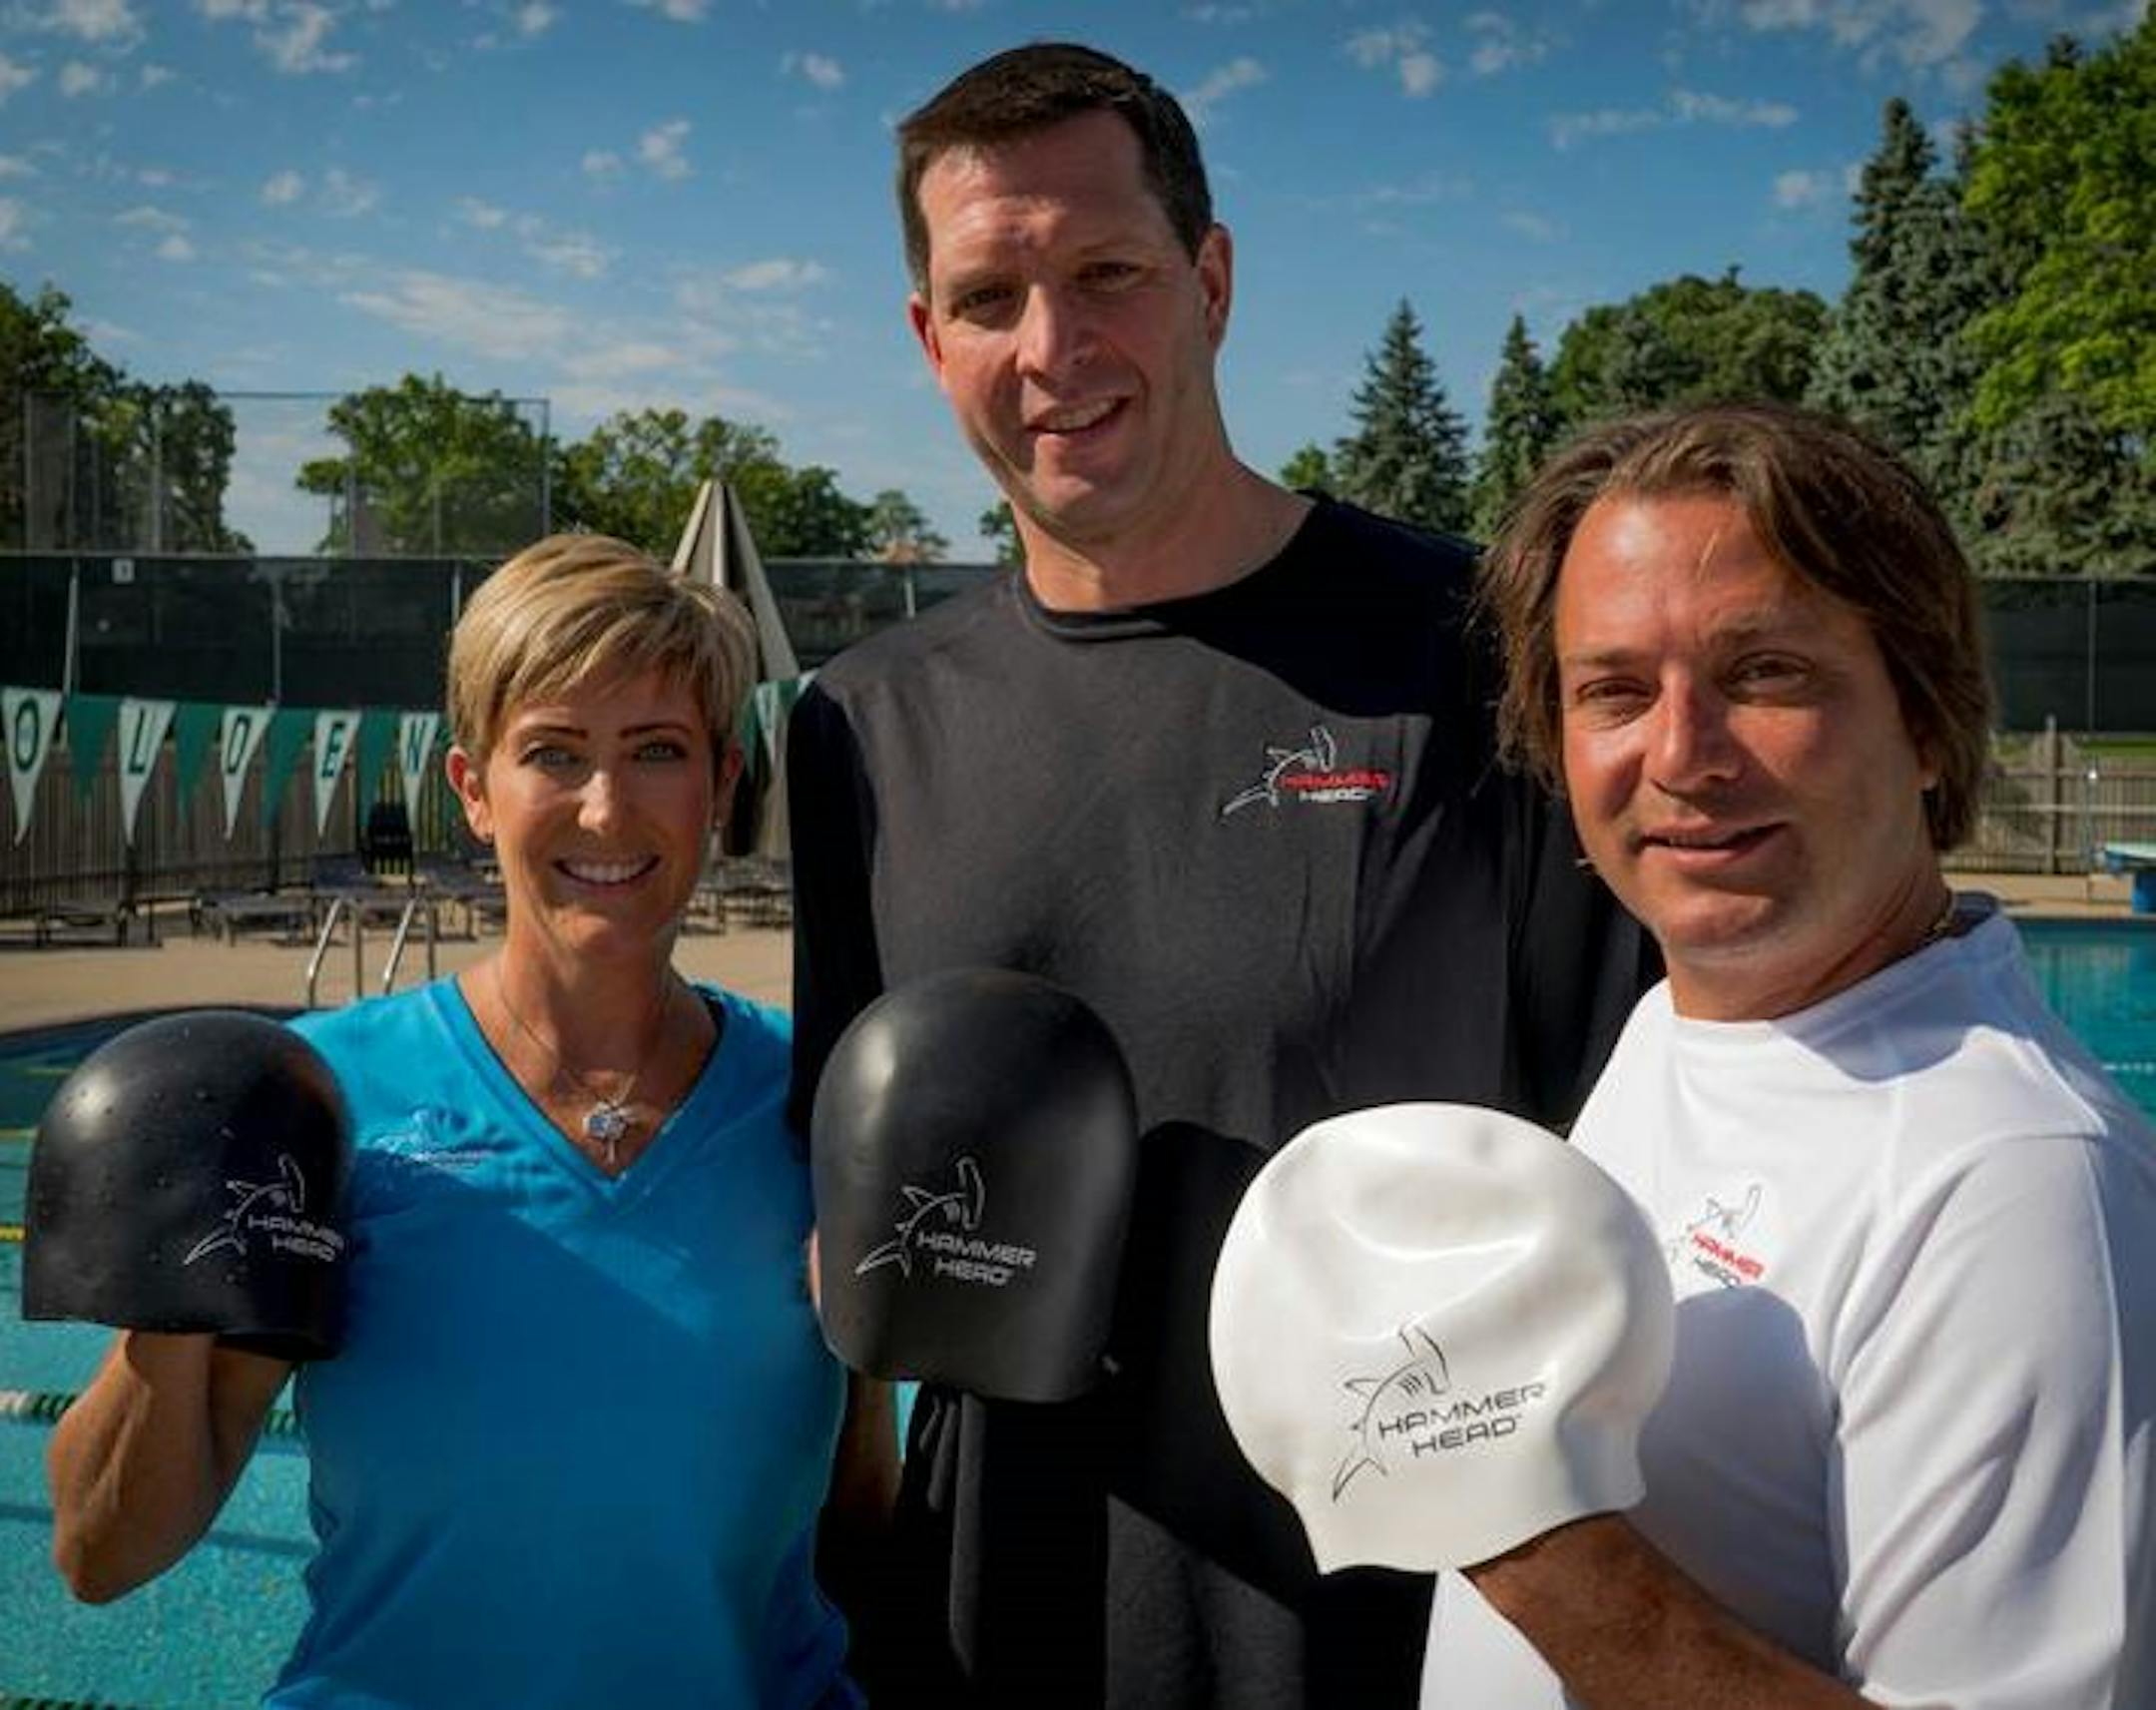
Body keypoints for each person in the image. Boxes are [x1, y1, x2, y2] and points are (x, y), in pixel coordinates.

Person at [786, 41, 1652, 1709]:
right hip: (990, 1636)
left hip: (1398, 1636)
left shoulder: (1475, 655)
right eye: (991, 295)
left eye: (1107, 272)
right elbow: (851, 1238)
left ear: (1212, 280)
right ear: (928, 338)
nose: (1054, 347)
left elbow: (1643, 1161)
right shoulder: (863, 730)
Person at [48, 532, 877, 1708]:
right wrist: (178, 1281)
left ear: (722, 785)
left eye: (657, 750)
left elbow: (867, 1510)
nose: (606, 806)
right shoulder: (312, 1102)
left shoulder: (819, 1104)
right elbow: (98, 1555)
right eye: (553, 751)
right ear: (474, 791)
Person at [1422, 401, 2156, 1707]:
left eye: (1765, 673)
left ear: (1927, 722)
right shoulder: (1683, 1023)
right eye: (1615, 690)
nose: (1680, 752)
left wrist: (1519, 1529)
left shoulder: (2014, 1182)